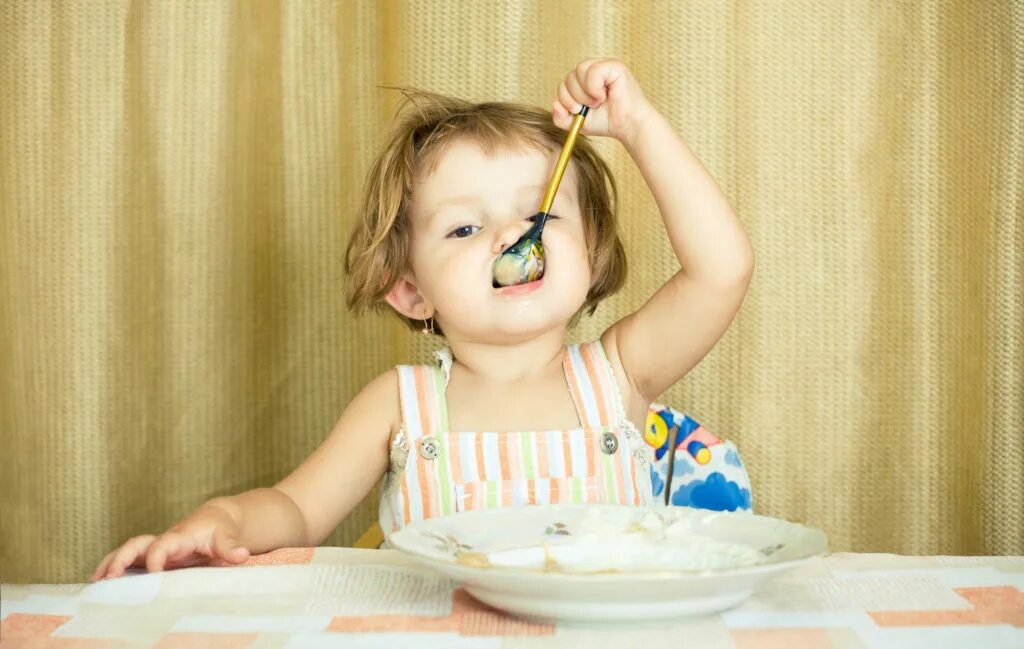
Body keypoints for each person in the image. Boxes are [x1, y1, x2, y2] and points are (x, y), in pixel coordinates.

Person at [92, 58, 754, 581]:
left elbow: (721, 270)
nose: (507, 236)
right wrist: (223, 520)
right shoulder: (399, 405)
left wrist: (638, 126)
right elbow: (296, 510)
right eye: (465, 226)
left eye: (541, 215)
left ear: (592, 251)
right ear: (410, 291)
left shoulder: (619, 374)